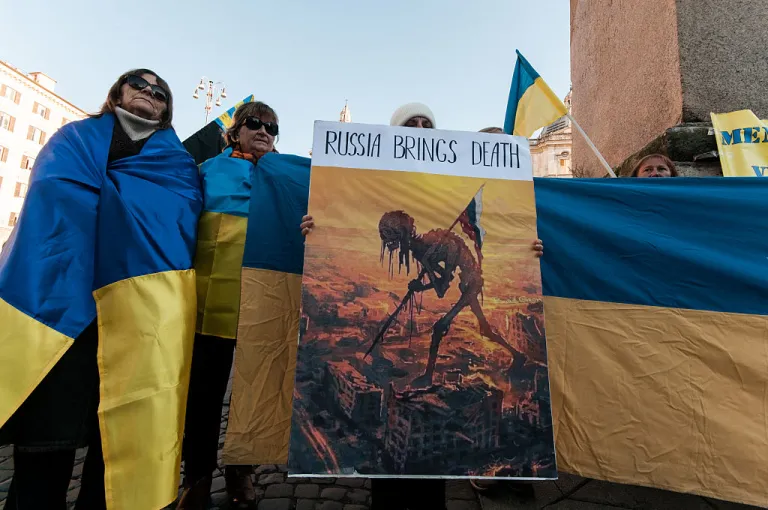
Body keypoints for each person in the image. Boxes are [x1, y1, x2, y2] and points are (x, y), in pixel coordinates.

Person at [299, 107, 543, 510]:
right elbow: (437, 281)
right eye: (410, 124)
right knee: (481, 326)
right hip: (460, 274)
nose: (418, 128)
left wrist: (524, 249)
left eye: (425, 123)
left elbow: (445, 285)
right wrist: (317, 227)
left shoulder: (431, 242)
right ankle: (516, 355)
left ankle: (432, 374)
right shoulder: (419, 246)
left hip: (470, 276)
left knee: (442, 329)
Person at [0, 69, 202, 510]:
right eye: (139, 85)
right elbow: (52, 194)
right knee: (44, 450)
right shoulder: (72, 139)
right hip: (60, 309)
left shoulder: (179, 165)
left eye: (159, 92)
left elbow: (179, 222)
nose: (149, 93)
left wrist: (109, 203)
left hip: (137, 319)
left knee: (117, 451)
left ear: (167, 110)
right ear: (117, 94)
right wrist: (126, 209)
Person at [178, 101, 280, 510]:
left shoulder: (286, 178)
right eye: (254, 123)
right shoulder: (204, 170)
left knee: (251, 395)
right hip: (209, 304)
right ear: (235, 131)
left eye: (271, 127)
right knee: (203, 395)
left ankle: (242, 472)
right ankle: (197, 477)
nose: (263, 131)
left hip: (264, 304)